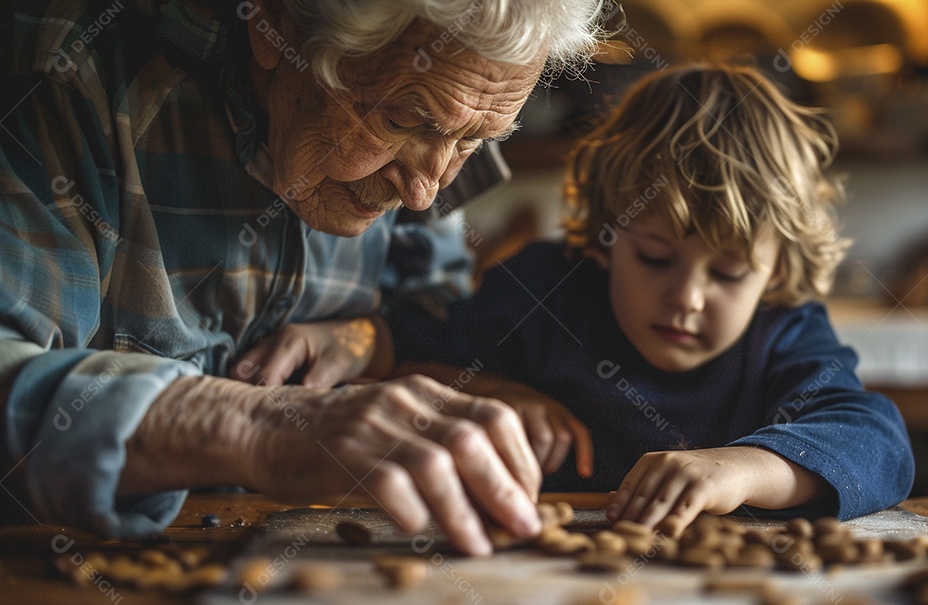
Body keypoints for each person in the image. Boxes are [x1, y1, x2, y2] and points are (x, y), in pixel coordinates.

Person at [0, 0, 605, 556]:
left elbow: (431, 314)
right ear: (275, 26)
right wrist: (258, 428)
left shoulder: (446, 119)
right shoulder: (63, 72)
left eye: (474, 142)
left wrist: (366, 340)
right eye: (400, 119)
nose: (424, 195)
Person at [386, 65, 916, 534]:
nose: (686, 299)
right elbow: (396, 358)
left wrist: (740, 468)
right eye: (656, 259)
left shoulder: (785, 330)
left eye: (729, 274)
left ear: (775, 276)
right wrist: (492, 392)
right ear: (604, 238)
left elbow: (880, 443)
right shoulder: (542, 288)